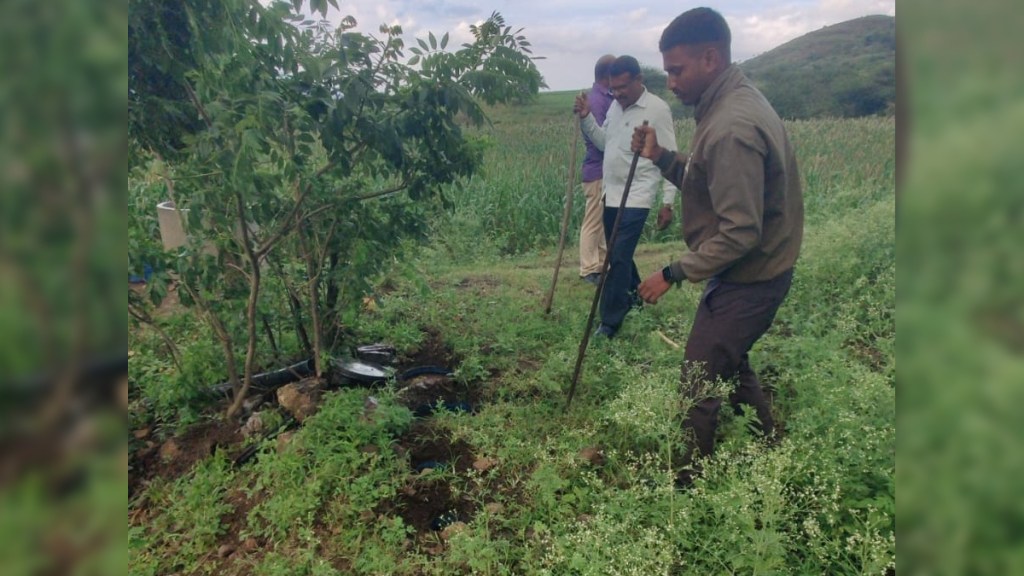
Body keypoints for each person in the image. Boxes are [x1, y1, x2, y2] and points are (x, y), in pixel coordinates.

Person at [631, 7, 804, 486]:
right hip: (756, 270)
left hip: (752, 276)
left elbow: (740, 231)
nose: (671, 83)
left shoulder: (731, 125)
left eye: (677, 70)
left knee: (698, 384)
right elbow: (707, 181)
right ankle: (769, 443)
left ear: (710, 58)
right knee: (729, 358)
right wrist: (661, 157)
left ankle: (687, 491)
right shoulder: (731, 103)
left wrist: (670, 273)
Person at [573, 55, 677, 338]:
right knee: (621, 255)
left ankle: (610, 322)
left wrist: (668, 202)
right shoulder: (616, 109)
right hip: (612, 192)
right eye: (613, 88)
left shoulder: (657, 109)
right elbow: (603, 142)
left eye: (622, 87)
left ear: (638, 80)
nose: (617, 93)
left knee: (616, 257)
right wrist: (585, 118)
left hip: (638, 194)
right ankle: (635, 298)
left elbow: (670, 155)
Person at [577, 55, 615, 285]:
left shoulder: (601, 98)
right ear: (608, 76)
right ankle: (588, 268)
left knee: (601, 222)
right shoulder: (599, 102)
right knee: (592, 221)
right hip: (597, 169)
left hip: (601, 169)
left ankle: (601, 265)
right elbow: (601, 139)